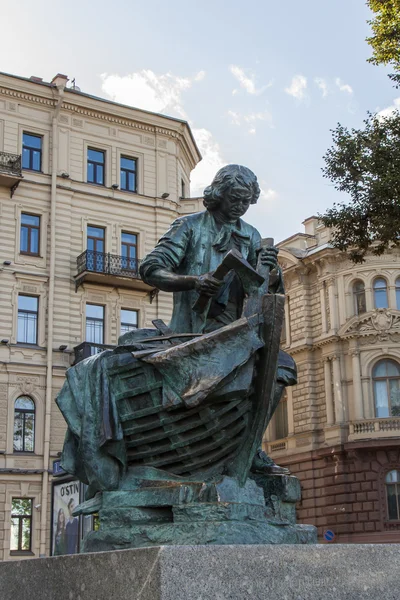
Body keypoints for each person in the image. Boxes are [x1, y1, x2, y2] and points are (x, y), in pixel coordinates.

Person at [140, 164, 296, 474]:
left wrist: (271, 272)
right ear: (219, 193)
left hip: (238, 329)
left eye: (247, 202)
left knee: (282, 367)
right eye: (235, 198)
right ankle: (216, 451)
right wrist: (193, 281)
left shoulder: (250, 235)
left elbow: (260, 290)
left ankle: (250, 447)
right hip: (195, 331)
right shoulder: (189, 226)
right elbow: (151, 269)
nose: (240, 207)